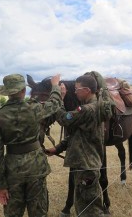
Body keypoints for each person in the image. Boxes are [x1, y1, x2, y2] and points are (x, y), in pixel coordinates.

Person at [0, 73, 65, 217]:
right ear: (23, 91)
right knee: (39, 212)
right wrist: (55, 86)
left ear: (7, 93)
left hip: (12, 172)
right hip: (36, 167)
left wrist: (0, 185)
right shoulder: (35, 108)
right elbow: (55, 103)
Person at [46, 74, 112, 217]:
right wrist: (58, 148)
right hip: (86, 164)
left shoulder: (87, 110)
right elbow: (77, 135)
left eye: (77, 89)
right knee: (85, 206)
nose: (74, 92)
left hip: (85, 166)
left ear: (87, 90)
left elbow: (64, 118)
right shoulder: (95, 107)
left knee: (90, 209)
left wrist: (59, 95)